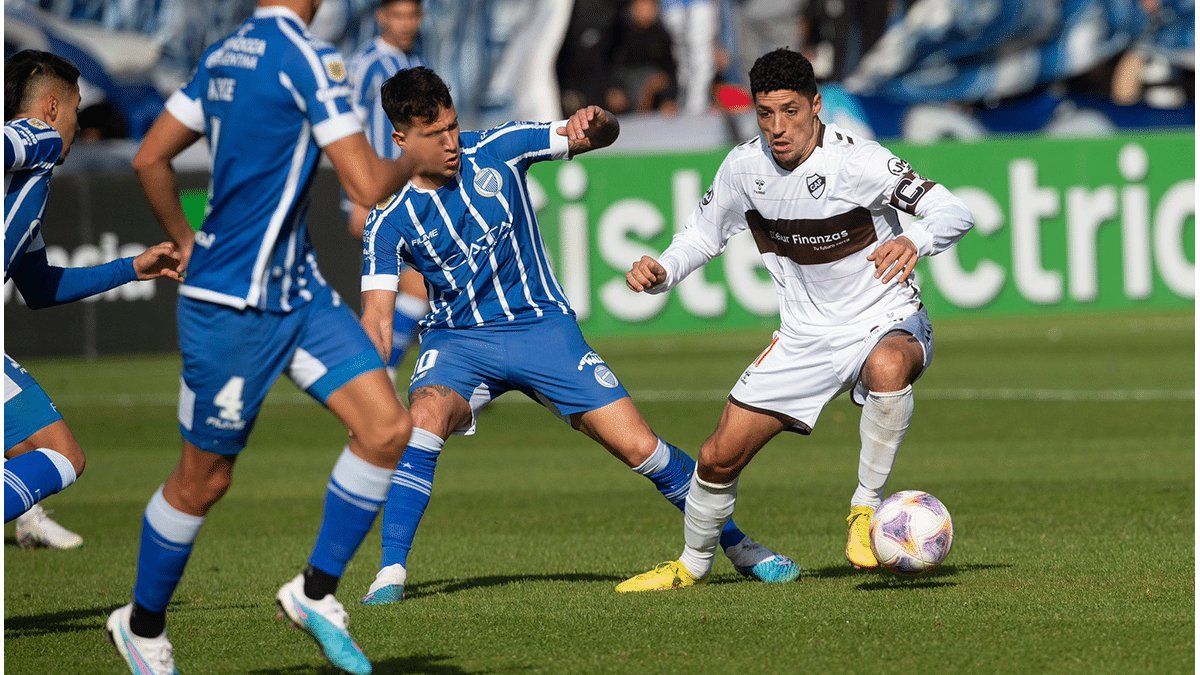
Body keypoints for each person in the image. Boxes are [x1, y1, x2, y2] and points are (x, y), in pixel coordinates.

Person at [356, 66, 798, 605]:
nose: (450, 142)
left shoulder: (497, 147)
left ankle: (738, 545)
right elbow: (377, 319)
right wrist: (367, 390)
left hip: (543, 329)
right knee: (422, 420)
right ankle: (390, 574)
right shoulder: (388, 219)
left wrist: (601, 121)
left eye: (452, 126)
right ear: (400, 138)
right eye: (434, 135)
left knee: (641, 447)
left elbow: (593, 134)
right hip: (458, 342)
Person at [104, 1, 417, 673]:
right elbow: (366, 180)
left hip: (297, 294)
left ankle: (313, 592)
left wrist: (188, 239)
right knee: (203, 480)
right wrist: (411, 157)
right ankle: (142, 625)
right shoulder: (307, 56)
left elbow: (150, 157)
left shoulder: (223, 54)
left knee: (388, 429)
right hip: (232, 308)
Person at [617, 48, 975, 592]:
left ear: (816, 106)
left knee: (888, 366)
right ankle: (691, 566)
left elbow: (954, 210)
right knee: (716, 458)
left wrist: (915, 238)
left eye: (790, 111)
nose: (778, 128)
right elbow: (701, 236)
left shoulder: (860, 162)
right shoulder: (744, 167)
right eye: (765, 113)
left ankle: (864, 509)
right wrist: (662, 270)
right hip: (805, 337)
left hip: (885, 316)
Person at [3, 50, 184, 547]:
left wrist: (132, 267)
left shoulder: (26, 190)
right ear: (54, 109)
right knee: (60, 455)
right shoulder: (35, 136)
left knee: (44, 451)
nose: (78, 126)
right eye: (78, 110)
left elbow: (40, 287)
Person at [346, 0, 428, 371]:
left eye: (412, 15)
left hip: (409, 190)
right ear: (381, 17)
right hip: (379, 192)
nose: (407, 23)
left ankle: (380, 375)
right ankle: (379, 376)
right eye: (399, 15)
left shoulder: (414, 61)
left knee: (414, 285)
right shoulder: (366, 65)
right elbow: (347, 132)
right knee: (414, 283)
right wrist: (358, 197)